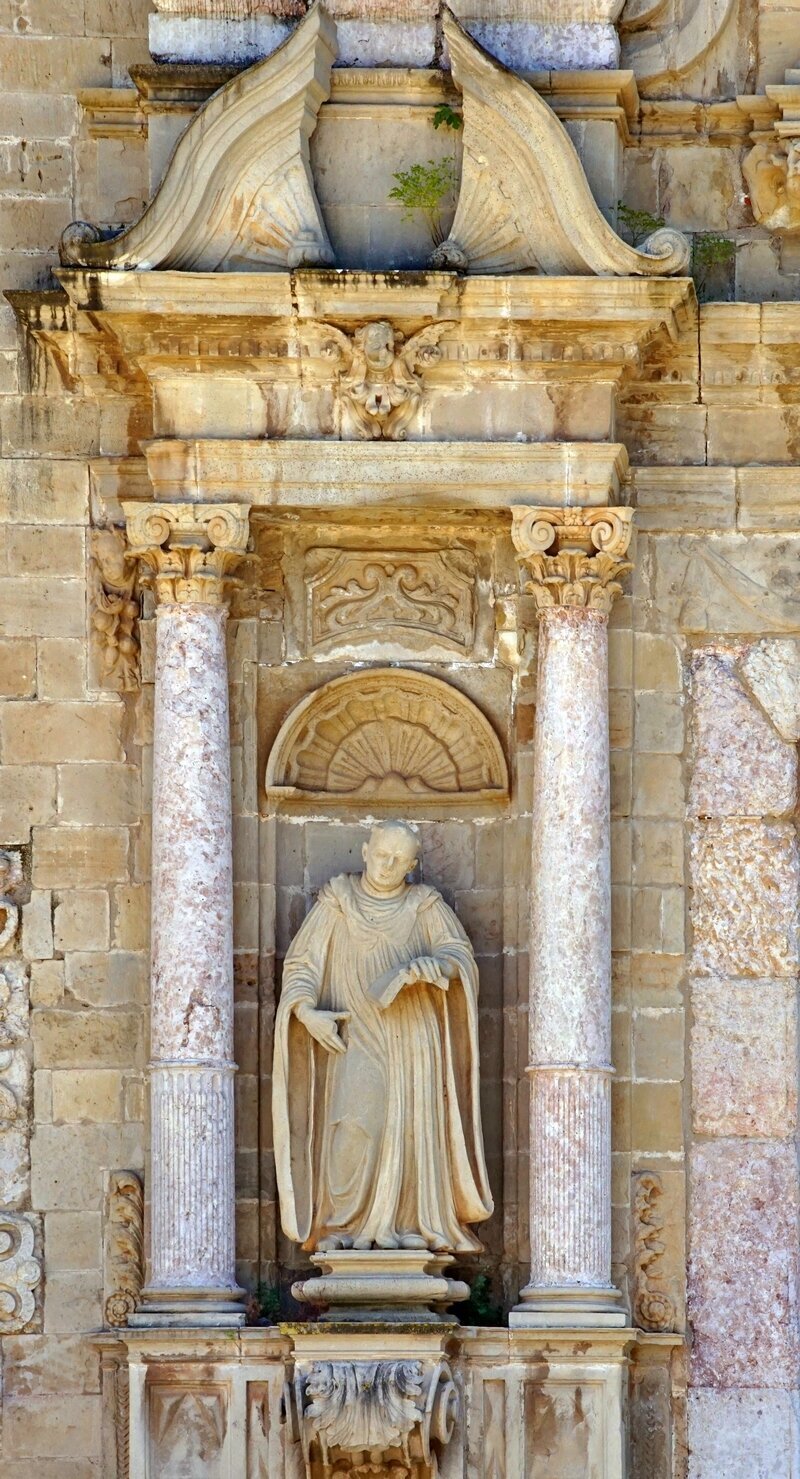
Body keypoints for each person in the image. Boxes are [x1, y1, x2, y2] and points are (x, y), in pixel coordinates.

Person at [272, 820, 493, 1254]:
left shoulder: (424, 905)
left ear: (412, 866)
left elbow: (458, 956)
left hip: (412, 1038)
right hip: (353, 1034)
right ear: (364, 851)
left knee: (410, 1129)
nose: (387, 866)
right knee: (352, 1127)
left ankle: (409, 1222)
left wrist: (437, 966)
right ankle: (342, 1224)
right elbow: (301, 966)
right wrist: (306, 1013)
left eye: (398, 860)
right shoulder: (338, 901)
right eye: (381, 855)